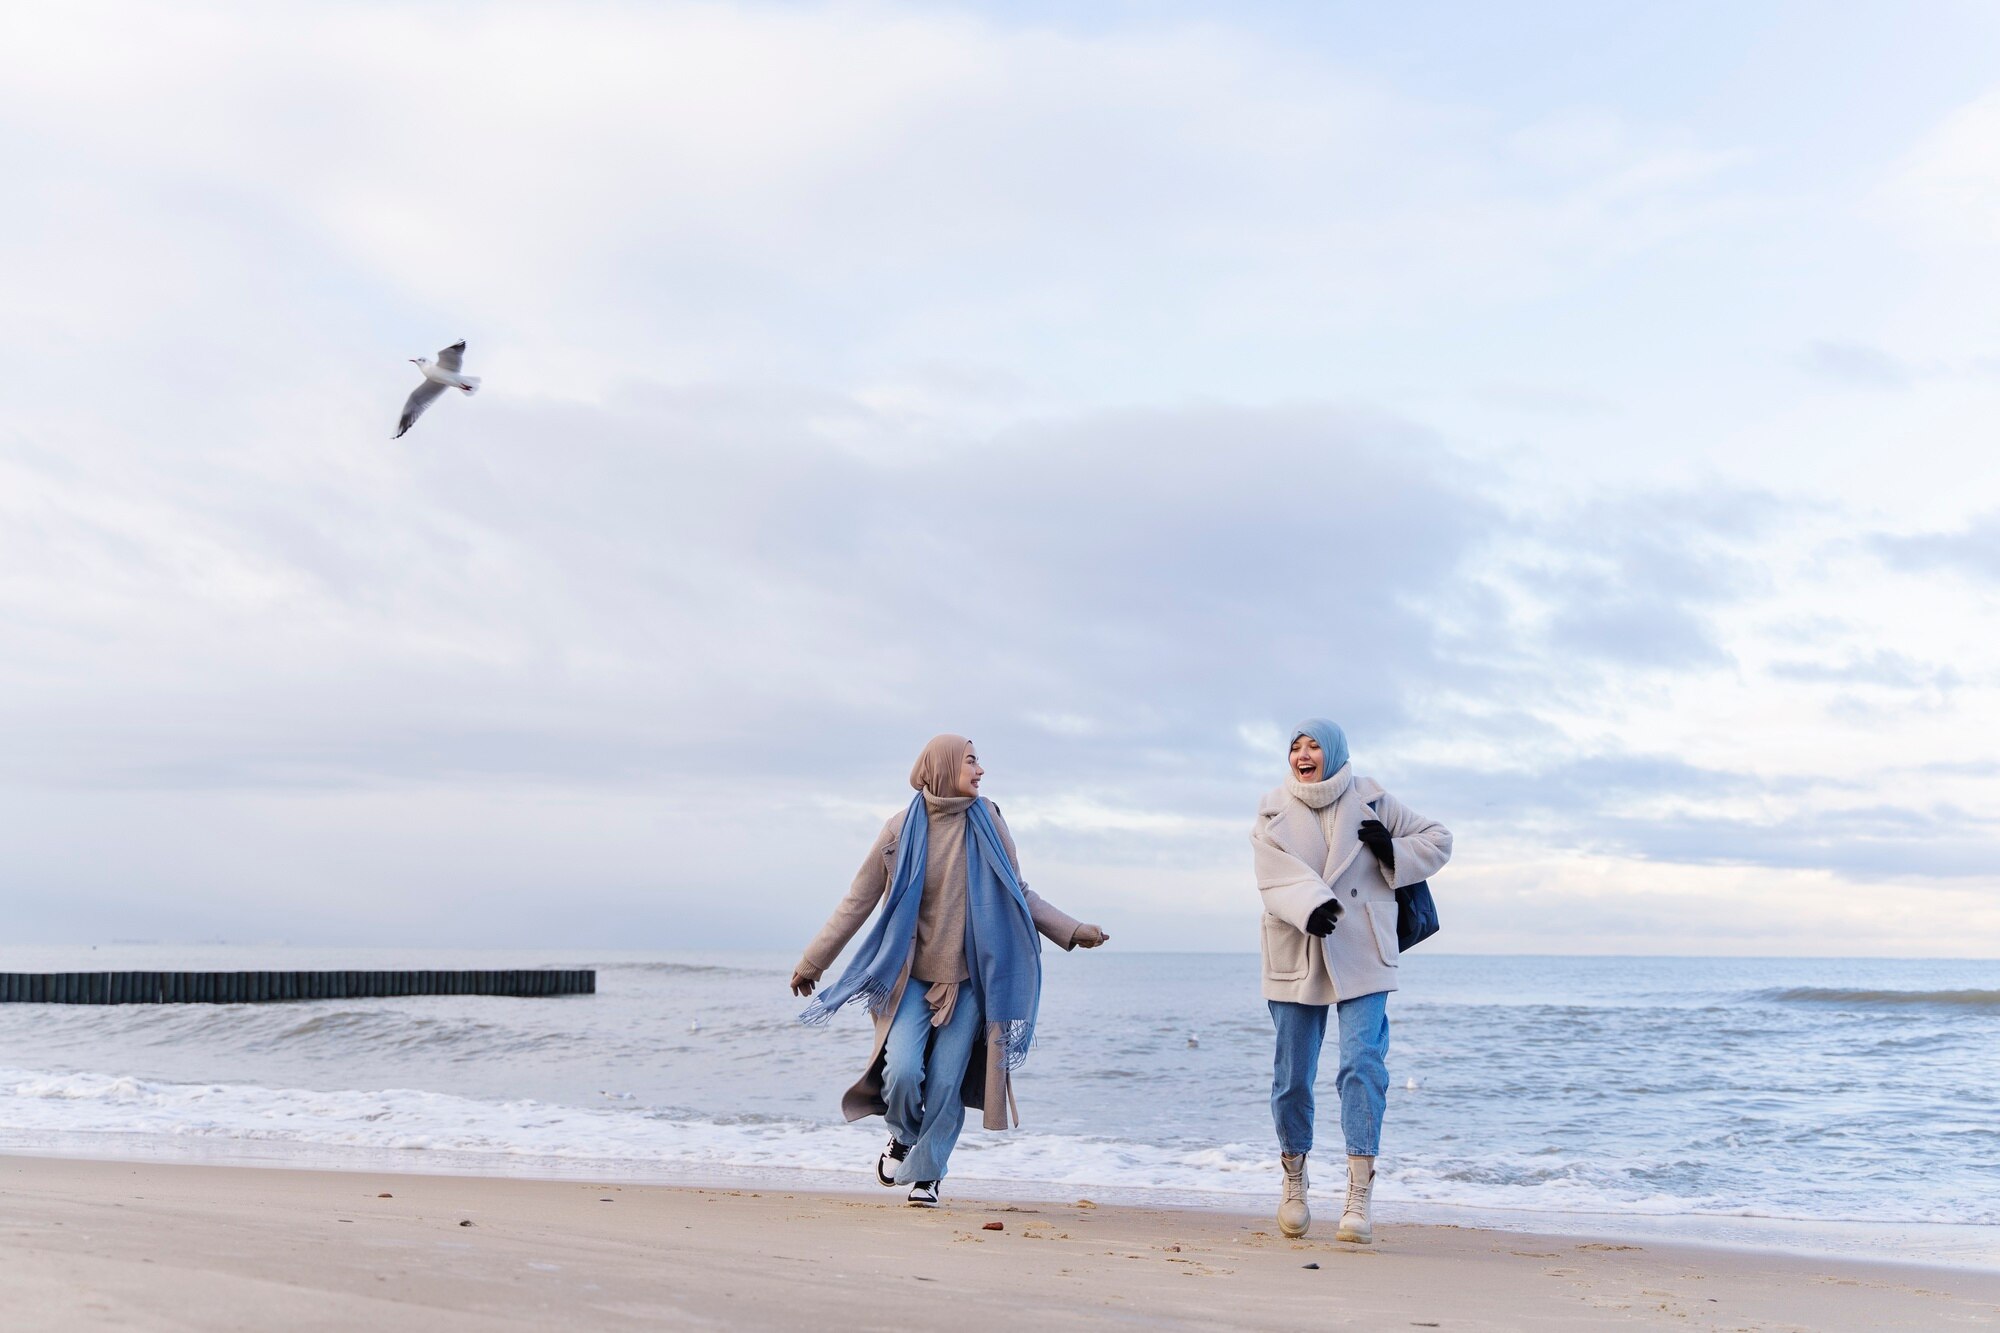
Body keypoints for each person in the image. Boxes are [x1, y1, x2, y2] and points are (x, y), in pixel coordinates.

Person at [791, 734, 1109, 1207]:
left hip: (970, 981)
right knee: (900, 1071)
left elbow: (1018, 890)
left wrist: (1071, 930)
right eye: (971, 761)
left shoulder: (990, 823)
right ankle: (902, 1136)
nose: (980, 770)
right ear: (942, 768)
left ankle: (929, 1173)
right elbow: (856, 902)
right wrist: (813, 961)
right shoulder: (899, 832)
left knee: (944, 1082)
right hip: (910, 979)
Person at [1250, 719, 1451, 1243]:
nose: (1303, 753)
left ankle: (1359, 1192)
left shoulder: (1374, 799)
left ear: (1334, 751)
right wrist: (1309, 905)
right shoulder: (1272, 809)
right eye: (1295, 746)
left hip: (1363, 947)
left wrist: (1393, 851)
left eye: (1314, 744)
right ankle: (1294, 1180)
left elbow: (1439, 839)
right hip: (1299, 940)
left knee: (1362, 1064)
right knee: (1293, 1073)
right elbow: (1271, 876)